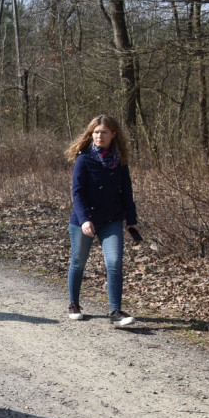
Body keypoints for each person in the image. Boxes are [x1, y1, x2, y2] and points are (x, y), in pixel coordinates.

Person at [65, 115, 140, 327]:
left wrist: (132, 220)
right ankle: (74, 304)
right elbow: (77, 193)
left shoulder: (120, 161)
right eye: (96, 132)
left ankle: (116, 312)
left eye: (104, 132)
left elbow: (126, 191)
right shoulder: (84, 158)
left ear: (113, 134)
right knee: (78, 262)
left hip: (111, 220)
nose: (99, 136)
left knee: (114, 263)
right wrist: (84, 220)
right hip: (84, 220)